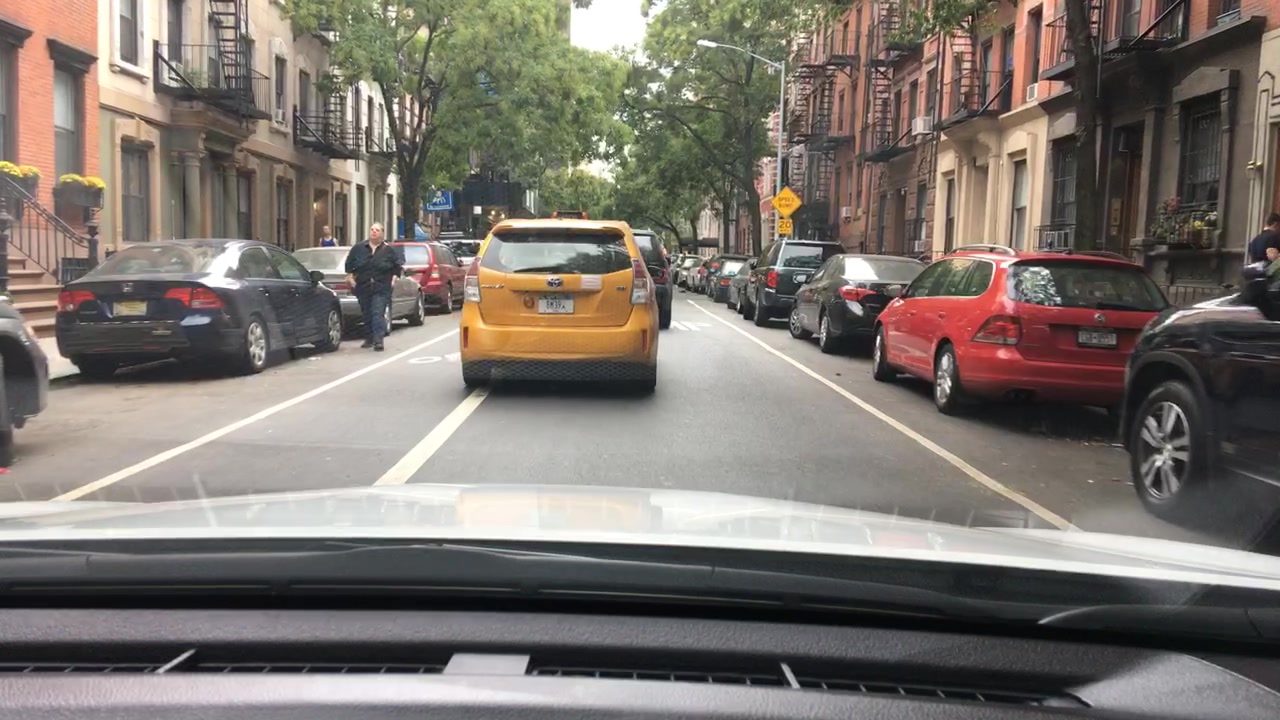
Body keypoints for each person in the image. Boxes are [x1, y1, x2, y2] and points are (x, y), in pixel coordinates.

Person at [344, 223, 402, 351]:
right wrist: (350, 278)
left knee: (377, 312)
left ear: (382, 233)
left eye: (377, 230)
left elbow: (397, 267)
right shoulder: (358, 248)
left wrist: (393, 279)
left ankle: (378, 340)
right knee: (367, 313)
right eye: (372, 230)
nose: (374, 232)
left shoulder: (389, 250)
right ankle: (369, 338)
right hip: (363, 287)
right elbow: (349, 265)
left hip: (381, 287)